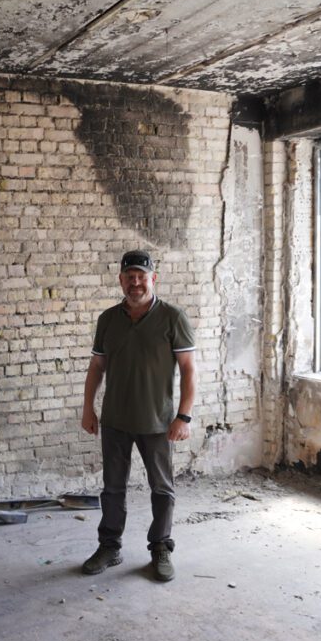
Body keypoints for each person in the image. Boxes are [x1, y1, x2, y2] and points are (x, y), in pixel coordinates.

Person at [80, 249, 197, 582]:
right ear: (120, 280)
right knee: (112, 489)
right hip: (115, 420)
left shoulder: (173, 317)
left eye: (141, 277)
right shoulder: (108, 319)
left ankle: (160, 548)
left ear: (153, 279)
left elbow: (189, 369)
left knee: (162, 489)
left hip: (157, 422)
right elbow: (97, 366)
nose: (135, 283)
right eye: (129, 277)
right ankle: (109, 547)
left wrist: (184, 416)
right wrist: (88, 407)